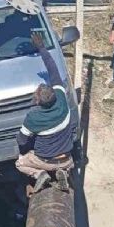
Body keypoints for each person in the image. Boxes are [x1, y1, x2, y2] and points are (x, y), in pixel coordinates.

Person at [15, 31, 75, 194]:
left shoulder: (33, 118)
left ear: (38, 101)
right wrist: (42, 48)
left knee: (20, 163)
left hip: (44, 160)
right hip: (66, 158)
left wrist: (25, 150)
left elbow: (21, 140)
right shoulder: (62, 98)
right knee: (60, 159)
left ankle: (40, 174)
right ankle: (62, 171)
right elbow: (53, 70)